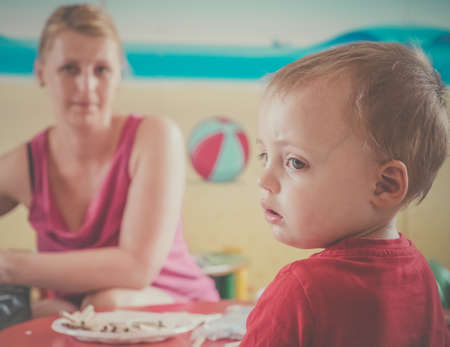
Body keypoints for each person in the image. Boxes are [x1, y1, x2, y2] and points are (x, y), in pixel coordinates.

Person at [0, 4, 218, 318]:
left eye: (101, 70)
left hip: (186, 315)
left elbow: (136, 269)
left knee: (105, 305)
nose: (86, 87)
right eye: (70, 68)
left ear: (118, 74)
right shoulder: (25, 165)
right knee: (50, 311)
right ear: (41, 72)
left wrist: (8, 266)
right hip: (81, 323)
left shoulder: (155, 136)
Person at [240, 42, 449, 346]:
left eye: (295, 162)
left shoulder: (300, 290)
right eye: (264, 156)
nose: (264, 179)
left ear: (385, 185)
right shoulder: (422, 275)